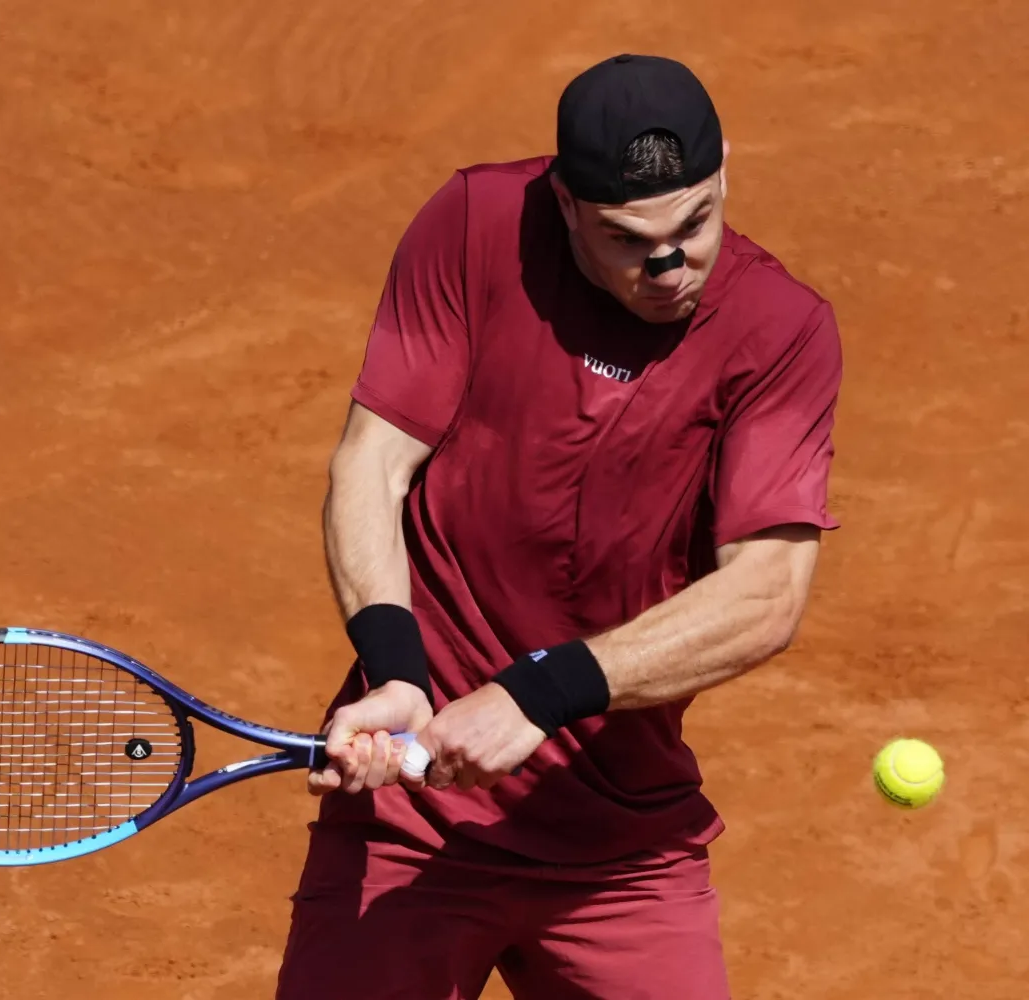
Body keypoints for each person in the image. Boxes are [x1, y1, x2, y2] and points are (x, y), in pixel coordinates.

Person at [274, 52, 843, 1000]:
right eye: (629, 239)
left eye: (695, 224)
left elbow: (766, 594)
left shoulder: (781, 333)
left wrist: (541, 692)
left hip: (620, 844)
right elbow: (373, 459)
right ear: (566, 203)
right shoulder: (474, 225)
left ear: (727, 170)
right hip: (416, 826)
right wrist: (397, 668)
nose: (669, 265)